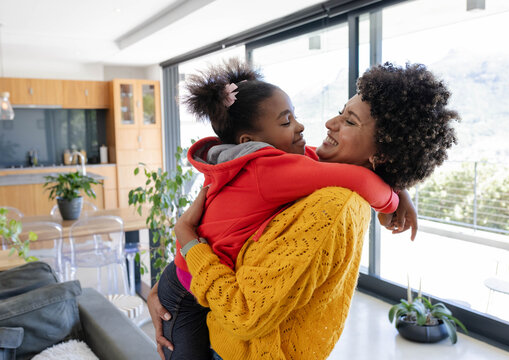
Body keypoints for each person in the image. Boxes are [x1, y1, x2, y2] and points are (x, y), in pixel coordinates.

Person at [151, 62, 459, 360]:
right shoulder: (304, 171)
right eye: (341, 112)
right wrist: (395, 191)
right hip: (198, 299)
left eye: (349, 121)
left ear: (380, 154)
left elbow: (244, 313)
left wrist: (188, 243)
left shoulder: (333, 207)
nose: (329, 123)